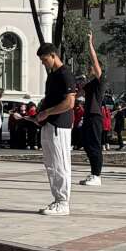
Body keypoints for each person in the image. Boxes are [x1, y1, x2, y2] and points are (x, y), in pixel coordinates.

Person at [35, 43, 77, 216]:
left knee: (61, 164)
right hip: (49, 124)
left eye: (45, 60)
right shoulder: (52, 76)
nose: (44, 63)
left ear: (53, 55)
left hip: (60, 124)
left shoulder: (65, 74)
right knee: (51, 164)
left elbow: (69, 102)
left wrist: (48, 112)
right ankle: (57, 198)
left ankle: (63, 202)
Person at [78, 35, 105, 187]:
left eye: (92, 67)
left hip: (95, 116)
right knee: (87, 144)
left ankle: (97, 175)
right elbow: (78, 94)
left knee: (94, 145)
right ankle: (93, 172)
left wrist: (89, 43)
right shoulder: (90, 83)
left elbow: (94, 60)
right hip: (88, 115)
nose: (89, 68)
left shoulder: (101, 80)